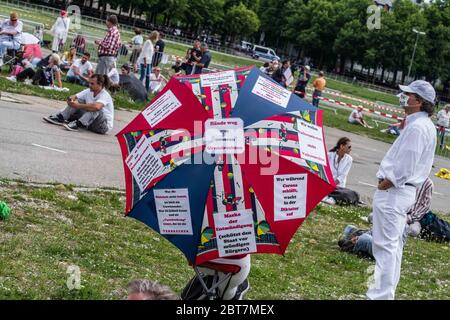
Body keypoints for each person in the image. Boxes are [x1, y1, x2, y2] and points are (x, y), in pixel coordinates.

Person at [366, 80, 437, 300]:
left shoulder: (417, 127)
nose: (402, 96)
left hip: (395, 191)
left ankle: (380, 296)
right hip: (403, 191)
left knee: (385, 247)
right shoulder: (421, 124)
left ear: (419, 101)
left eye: (407, 93)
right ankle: (385, 294)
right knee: (393, 247)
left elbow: (406, 163)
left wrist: (387, 182)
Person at [43, 74, 114, 134]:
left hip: (102, 126)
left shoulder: (105, 95)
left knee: (95, 108)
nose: (89, 85)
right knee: (79, 100)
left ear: (100, 84)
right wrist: (70, 101)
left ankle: (77, 124)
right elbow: (73, 97)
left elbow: (96, 107)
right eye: (89, 83)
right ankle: (61, 117)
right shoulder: (88, 91)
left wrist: (77, 106)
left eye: (92, 84)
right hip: (89, 122)